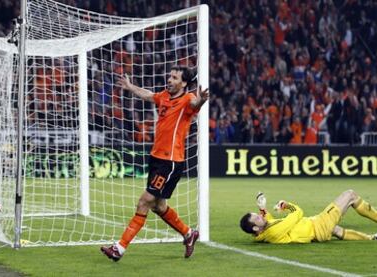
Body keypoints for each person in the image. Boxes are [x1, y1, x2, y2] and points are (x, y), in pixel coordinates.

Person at [101, 66, 209, 261]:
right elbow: (149, 95)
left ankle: (119, 248)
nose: (169, 79)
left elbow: (195, 104)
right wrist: (130, 86)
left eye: (174, 77)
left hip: (170, 162)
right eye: (170, 75)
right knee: (158, 206)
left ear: (184, 83)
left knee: (144, 202)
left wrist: (201, 99)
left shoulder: (186, 100)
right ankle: (188, 233)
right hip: (157, 158)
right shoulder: (165, 96)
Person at [240, 191, 377, 243]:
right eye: (257, 218)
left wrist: (262, 208)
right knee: (350, 195)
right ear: (256, 227)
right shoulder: (274, 232)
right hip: (318, 225)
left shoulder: (263, 233)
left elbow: (268, 221)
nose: (260, 216)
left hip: (316, 229)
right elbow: (298, 212)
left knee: (336, 230)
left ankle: (371, 238)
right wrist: (285, 205)